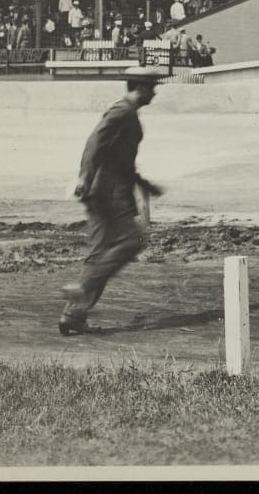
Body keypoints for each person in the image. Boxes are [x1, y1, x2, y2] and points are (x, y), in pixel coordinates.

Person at [60, 66, 166, 335]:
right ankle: (83, 289)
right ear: (140, 88)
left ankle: (74, 315)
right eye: (151, 87)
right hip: (109, 192)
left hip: (104, 189)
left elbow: (121, 158)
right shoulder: (123, 111)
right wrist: (84, 175)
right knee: (132, 242)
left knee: (98, 253)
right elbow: (95, 141)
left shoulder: (127, 113)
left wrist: (144, 184)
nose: (154, 92)